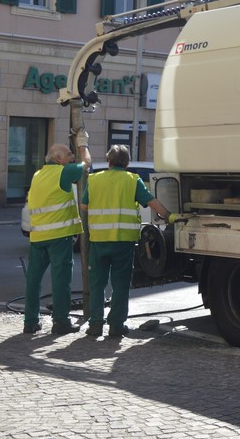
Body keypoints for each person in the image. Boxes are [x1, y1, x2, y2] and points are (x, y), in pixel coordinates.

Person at [81, 144, 172, 339]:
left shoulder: (94, 179)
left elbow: (84, 205)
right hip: (123, 242)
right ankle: (116, 325)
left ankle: (95, 324)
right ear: (127, 162)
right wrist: (168, 215)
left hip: (99, 240)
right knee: (120, 284)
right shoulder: (132, 180)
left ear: (109, 161)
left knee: (97, 283)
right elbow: (151, 202)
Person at [23, 131, 91, 335]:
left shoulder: (38, 174)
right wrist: (82, 143)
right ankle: (61, 321)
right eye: (69, 154)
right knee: (61, 280)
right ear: (58, 159)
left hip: (37, 237)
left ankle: (30, 321)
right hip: (59, 236)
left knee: (33, 280)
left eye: (72, 154)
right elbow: (87, 163)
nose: (73, 157)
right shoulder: (64, 172)